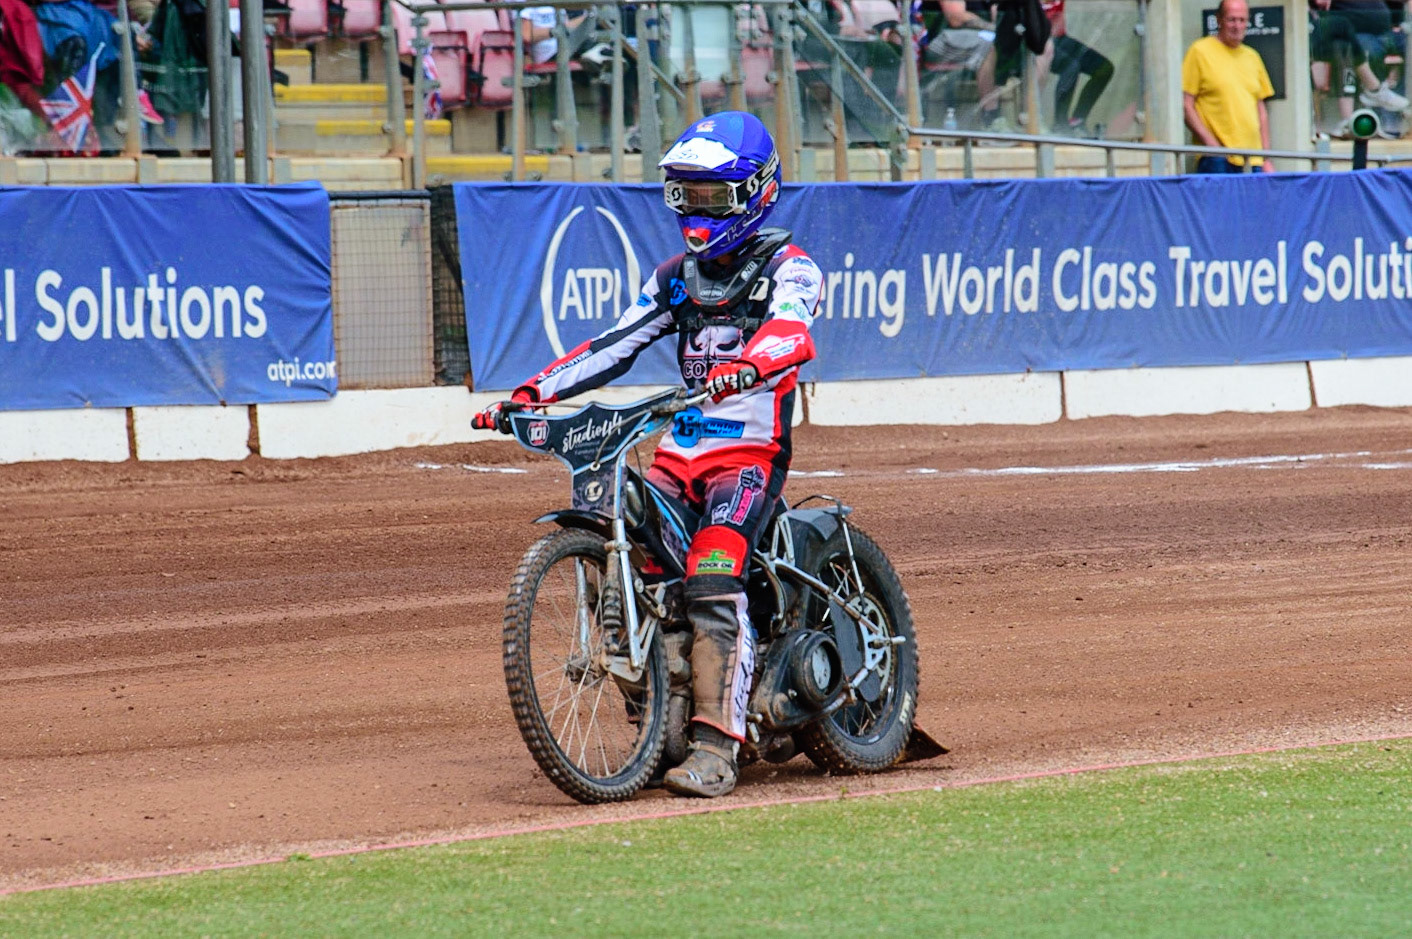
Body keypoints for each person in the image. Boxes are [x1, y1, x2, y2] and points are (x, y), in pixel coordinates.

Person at [475, 111, 823, 799]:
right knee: (631, 554)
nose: (695, 212)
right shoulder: (676, 277)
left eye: (711, 197)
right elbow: (615, 342)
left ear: (757, 193)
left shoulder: (792, 267)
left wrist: (747, 365)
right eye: (684, 195)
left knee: (711, 575)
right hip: (678, 453)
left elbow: (793, 334)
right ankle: (657, 712)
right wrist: (529, 393)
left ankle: (718, 748)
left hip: (747, 458)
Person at [1181, 0, 1274, 173]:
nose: (1237, 26)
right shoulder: (1200, 51)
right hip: (1218, 159)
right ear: (1219, 20)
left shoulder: (1252, 56)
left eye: (1242, 20)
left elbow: (1261, 110)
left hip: (1253, 159)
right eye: (1231, 20)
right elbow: (1186, 104)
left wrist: (1266, 157)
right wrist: (1213, 147)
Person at [519, 5, 588, 65]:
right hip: (549, 55)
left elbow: (567, 30)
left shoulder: (557, 7)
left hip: (565, 48)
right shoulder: (528, 10)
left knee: (590, 42)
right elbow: (526, 36)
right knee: (589, 46)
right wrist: (554, 31)